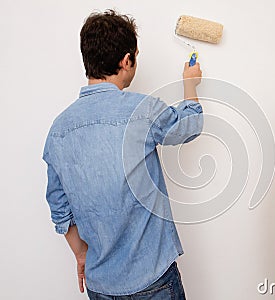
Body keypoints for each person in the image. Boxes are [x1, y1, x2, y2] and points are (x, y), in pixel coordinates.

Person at [42, 10, 203, 299]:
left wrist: (82, 256)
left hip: (100, 284)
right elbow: (188, 126)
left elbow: (60, 210)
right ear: (126, 60)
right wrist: (190, 83)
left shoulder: (58, 130)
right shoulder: (142, 110)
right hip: (153, 279)